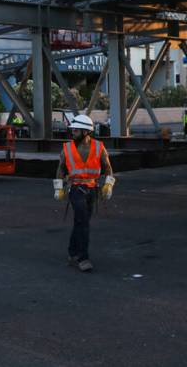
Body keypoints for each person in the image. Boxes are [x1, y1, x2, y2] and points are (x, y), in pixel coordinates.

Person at [56, 114, 113, 272]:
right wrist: (58, 187)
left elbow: (107, 168)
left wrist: (108, 185)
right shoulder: (67, 148)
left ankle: (72, 251)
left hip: (92, 189)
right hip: (76, 189)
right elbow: (61, 168)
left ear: (85, 132)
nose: (72, 133)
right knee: (84, 222)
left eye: (75, 130)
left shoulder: (98, 147)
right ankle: (83, 258)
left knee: (80, 222)